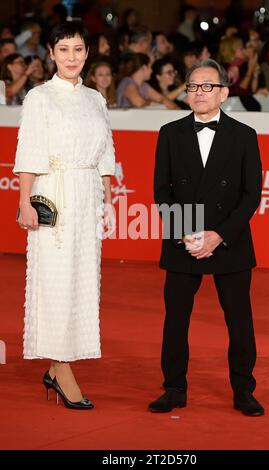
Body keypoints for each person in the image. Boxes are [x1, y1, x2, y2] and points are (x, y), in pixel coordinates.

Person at [149, 59, 264, 417]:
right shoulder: (169, 132)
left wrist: (218, 234)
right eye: (193, 86)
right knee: (176, 320)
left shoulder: (244, 136)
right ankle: (174, 388)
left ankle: (244, 390)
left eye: (207, 86)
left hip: (229, 239)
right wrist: (187, 233)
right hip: (184, 238)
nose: (199, 92)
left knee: (239, 320)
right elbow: (161, 192)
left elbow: (251, 195)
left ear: (224, 93)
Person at [13, 21, 115, 410]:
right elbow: (29, 153)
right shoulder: (40, 97)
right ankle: (61, 366)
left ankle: (59, 367)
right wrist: (25, 202)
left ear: (87, 53)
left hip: (87, 195)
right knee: (56, 282)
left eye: (78, 49)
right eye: (63, 50)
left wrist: (107, 200)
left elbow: (106, 153)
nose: (71, 57)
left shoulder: (96, 99)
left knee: (82, 282)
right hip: (52, 192)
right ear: (51, 54)